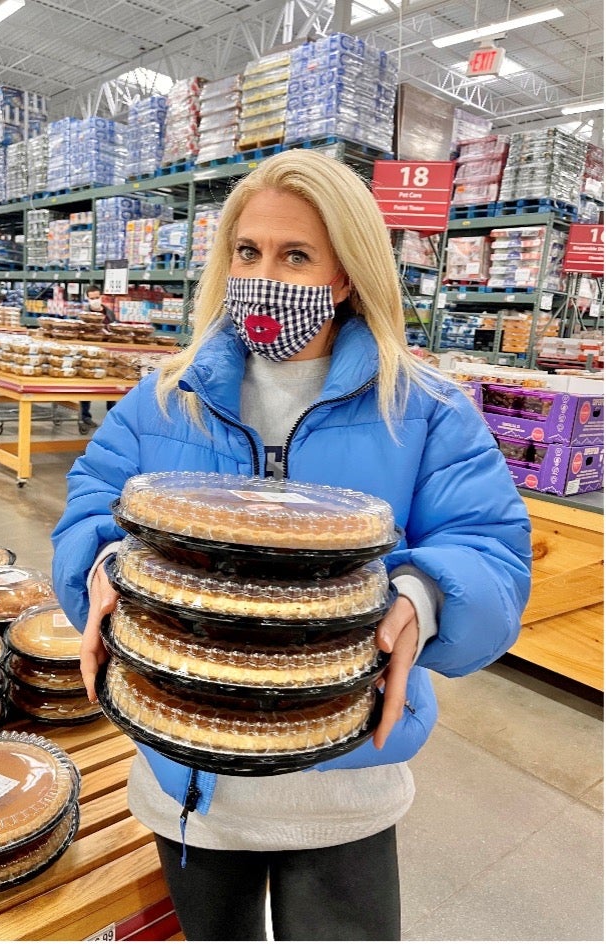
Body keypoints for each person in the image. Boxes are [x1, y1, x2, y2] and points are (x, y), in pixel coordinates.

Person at [52, 149, 531, 942]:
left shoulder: (427, 410)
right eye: (248, 252)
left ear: (346, 274)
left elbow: (493, 551)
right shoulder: (165, 399)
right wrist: (106, 569)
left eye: (296, 256)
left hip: (343, 782)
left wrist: (425, 596)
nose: (263, 275)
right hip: (190, 780)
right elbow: (87, 513)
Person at [80, 284, 116, 428]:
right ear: (87, 299)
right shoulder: (84, 314)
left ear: (101, 297)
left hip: (107, 354)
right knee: (88, 386)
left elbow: (115, 328)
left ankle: (112, 416)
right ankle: (85, 416)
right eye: (92, 298)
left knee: (110, 385)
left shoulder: (109, 313)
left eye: (97, 297)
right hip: (90, 354)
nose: (95, 300)